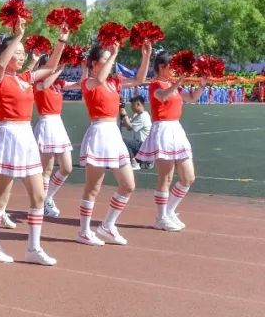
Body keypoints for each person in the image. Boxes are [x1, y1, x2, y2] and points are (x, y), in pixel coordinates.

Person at [0, 21, 68, 265]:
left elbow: (50, 66)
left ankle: (33, 247)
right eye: (16, 53)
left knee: (38, 195)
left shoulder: (26, 78)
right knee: (2, 197)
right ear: (6, 54)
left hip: (26, 136)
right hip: (7, 135)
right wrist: (18, 36)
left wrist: (61, 41)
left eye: (22, 53)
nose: (21, 56)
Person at [77, 41, 151, 246]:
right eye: (105, 58)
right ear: (93, 64)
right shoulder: (89, 82)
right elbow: (99, 79)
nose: (110, 61)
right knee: (93, 187)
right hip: (99, 132)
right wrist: (114, 54)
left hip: (114, 135)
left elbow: (139, 79)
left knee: (128, 185)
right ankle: (84, 231)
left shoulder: (114, 82)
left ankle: (107, 225)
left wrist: (146, 56)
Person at [136, 50, 205, 230]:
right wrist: (179, 80)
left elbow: (191, 98)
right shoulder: (155, 84)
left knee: (188, 177)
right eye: (171, 67)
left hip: (176, 129)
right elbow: (162, 96)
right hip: (163, 130)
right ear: (161, 66)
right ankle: (160, 218)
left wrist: (203, 84)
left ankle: (169, 211)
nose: (174, 70)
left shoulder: (174, 85)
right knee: (165, 178)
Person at [33, 54, 79, 218]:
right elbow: (45, 84)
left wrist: (86, 67)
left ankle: (48, 198)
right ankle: (42, 203)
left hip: (57, 125)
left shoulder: (59, 83)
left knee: (67, 167)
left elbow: (80, 85)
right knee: (47, 169)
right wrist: (58, 70)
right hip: (46, 123)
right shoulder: (37, 82)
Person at [120, 97, 152, 169]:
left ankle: (134, 162)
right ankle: (138, 160)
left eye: (132, 105)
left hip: (143, 146)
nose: (131, 107)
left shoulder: (144, 116)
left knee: (122, 140)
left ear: (138, 104)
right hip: (139, 144)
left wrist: (124, 115)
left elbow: (129, 127)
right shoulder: (137, 115)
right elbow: (126, 123)